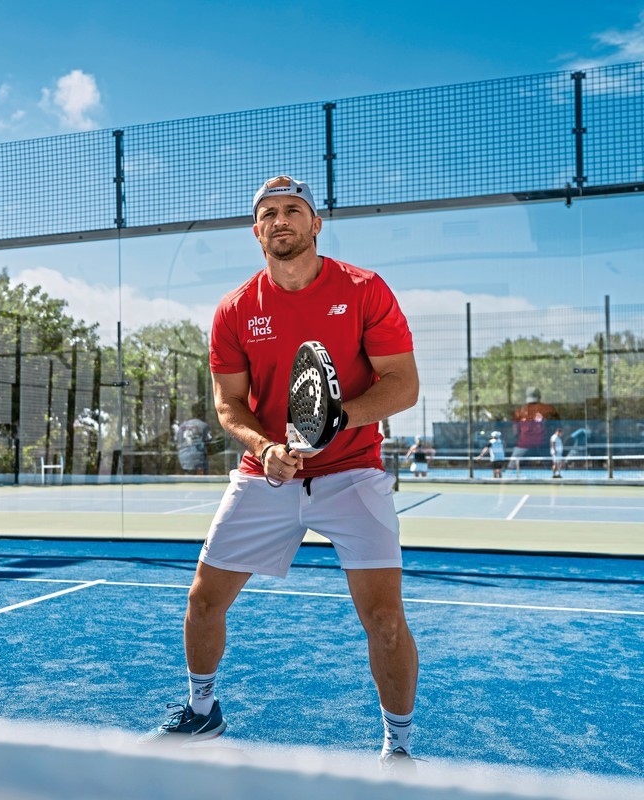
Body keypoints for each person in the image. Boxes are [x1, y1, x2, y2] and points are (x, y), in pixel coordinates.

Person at [143, 176, 421, 772]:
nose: (281, 221)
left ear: (315, 223)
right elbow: (228, 406)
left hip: (353, 472)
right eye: (268, 214)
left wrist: (336, 419)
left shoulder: (365, 290)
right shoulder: (235, 309)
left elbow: (403, 385)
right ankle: (202, 711)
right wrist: (267, 447)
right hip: (265, 472)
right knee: (203, 601)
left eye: (293, 210)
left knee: (384, 620)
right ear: (256, 232)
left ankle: (398, 747)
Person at [509, 387, 558, 475]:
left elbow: (515, 431)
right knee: (552, 468)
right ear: (539, 396)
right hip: (543, 444)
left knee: (511, 468)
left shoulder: (519, 410)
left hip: (523, 444)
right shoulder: (549, 409)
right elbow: (556, 426)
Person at [176, 405, 212, 475]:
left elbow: (178, 442)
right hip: (199, 459)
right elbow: (209, 442)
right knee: (201, 481)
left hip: (183, 459)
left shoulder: (182, 426)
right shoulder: (203, 425)